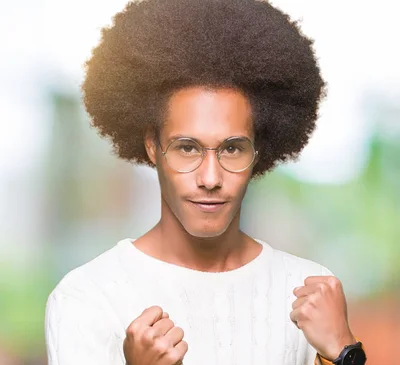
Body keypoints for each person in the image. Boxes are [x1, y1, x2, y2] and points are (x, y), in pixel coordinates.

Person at [44, 0, 367, 364]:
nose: (210, 178)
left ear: (259, 151)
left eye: (231, 149)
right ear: (153, 147)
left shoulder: (308, 289)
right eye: (187, 148)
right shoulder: (88, 297)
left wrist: (343, 351)